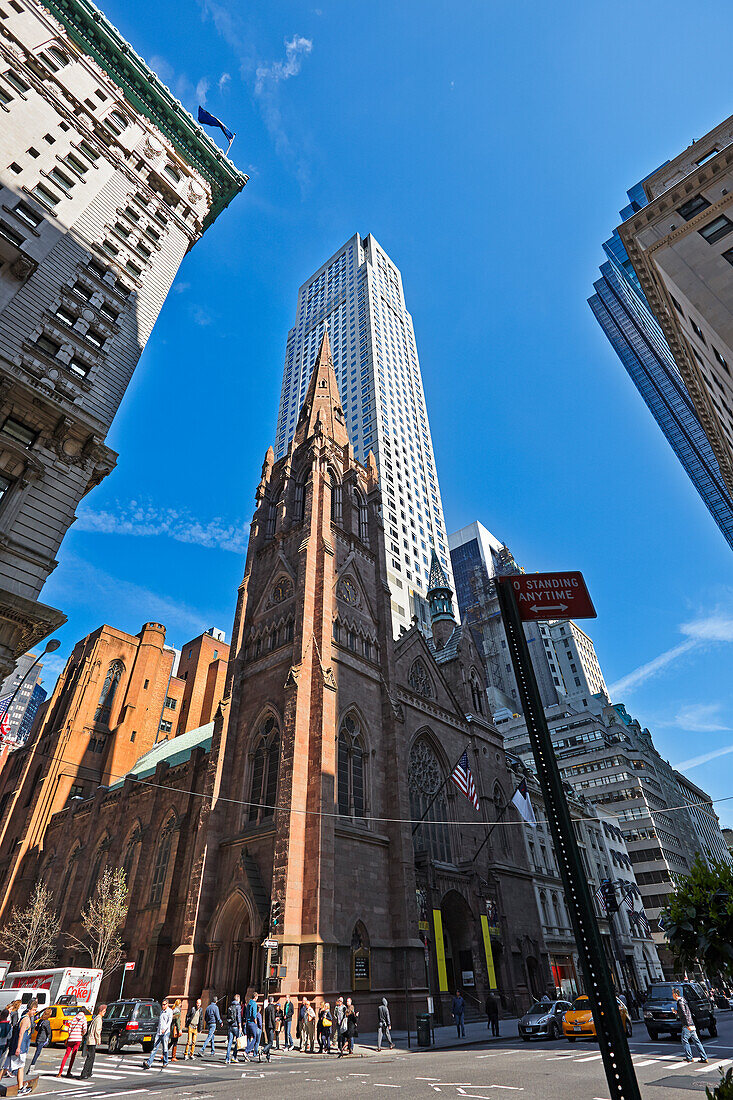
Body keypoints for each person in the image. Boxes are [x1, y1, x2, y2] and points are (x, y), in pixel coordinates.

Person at [672, 988, 708, 1063]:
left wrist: (687, 1024)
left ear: (676, 994)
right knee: (697, 1041)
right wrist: (676, 1012)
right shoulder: (683, 1000)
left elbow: (684, 1014)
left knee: (684, 1040)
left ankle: (689, 1057)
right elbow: (684, 1012)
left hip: (687, 1024)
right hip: (691, 1023)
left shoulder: (680, 1002)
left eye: (672, 993)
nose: (672, 995)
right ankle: (704, 1057)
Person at [11, 1000, 36, 1095]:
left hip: (19, 1047)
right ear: (29, 1009)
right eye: (33, 1010)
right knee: (11, 1067)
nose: (34, 1012)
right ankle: (20, 1088)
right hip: (20, 1047)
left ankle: (20, 1087)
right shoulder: (26, 1019)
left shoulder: (24, 1018)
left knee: (18, 1067)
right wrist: (18, 1047)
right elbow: (21, 1034)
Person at [143, 998, 173, 1069]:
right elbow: (160, 1022)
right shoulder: (162, 1011)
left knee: (165, 1048)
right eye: (162, 1005)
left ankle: (165, 1062)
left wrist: (164, 1029)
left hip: (165, 1033)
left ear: (167, 1004)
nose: (163, 1006)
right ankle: (149, 1063)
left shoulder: (169, 1011)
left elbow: (169, 1022)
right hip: (159, 1032)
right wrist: (158, 1030)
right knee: (154, 1048)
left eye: (164, 1004)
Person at [79, 1004, 106, 1080]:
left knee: (91, 1057)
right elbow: (97, 1031)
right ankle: (84, 1073)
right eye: (104, 1011)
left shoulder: (96, 1018)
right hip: (92, 1040)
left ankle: (88, 1072)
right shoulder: (99, 1019)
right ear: (100, 1011)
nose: (104, 1012)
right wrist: (98, 1040)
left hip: (90, 1039)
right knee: (90, 1057)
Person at [58, 1004, 87, 1077]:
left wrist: (70, 1035)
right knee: (73, 1056)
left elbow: (69, 1029)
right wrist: (82, 1034)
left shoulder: (74, 1018)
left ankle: (60, 1072)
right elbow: (84, 1029)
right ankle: (68, 1072)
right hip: (77, 1039)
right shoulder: (84, 1018)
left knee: (66, 1055)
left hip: (71, 1038)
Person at [29, 1007, 52, 1072]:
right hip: (42, 1039)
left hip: (38, 1038)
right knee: (37, 1053)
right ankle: (31, 1068)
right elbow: (48, 1031)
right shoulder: (47, 1022)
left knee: (37, 1052)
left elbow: (36, 1029)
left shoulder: (40, 1020)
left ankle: (31, 1067)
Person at [225, 994, 243, 1065]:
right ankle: (234, 1056)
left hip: (230, 1026)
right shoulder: (238, 1006)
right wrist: (240, 1025)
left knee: (230, 1042)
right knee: (238, 1041)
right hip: (236, 1026)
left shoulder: (230, 1006)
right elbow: (238, 1016)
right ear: (238, 999)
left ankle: (227, 1058)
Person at [244, 992, 261, 1058]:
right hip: (252, 1023)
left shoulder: (249, 1003)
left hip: (247, 1022)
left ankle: (247, 1054)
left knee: (248, 1038)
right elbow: (254, 1014)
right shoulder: (254, 1004)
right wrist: (255, 1021)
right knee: (255, 1037)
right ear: (256, 997)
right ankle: (247, 1051)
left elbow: (246, 1012)